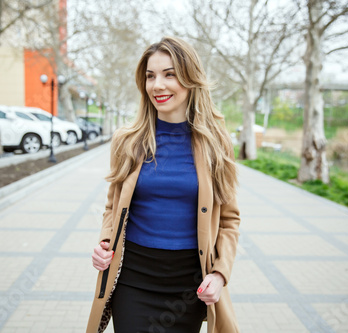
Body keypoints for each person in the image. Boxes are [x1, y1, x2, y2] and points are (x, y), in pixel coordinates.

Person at [87, 36, 241, 333]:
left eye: (169, 74)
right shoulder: (128, 140)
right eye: (150, 76)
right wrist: (105, 243)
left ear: (190, 78)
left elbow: (230, 220)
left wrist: (220, 274)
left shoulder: (216, 143)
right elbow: (112, 206)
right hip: (135, 281)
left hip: (189, 289)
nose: (157, 85)